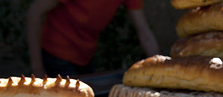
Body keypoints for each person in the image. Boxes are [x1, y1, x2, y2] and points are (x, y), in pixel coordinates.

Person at [26, 0, 160, 78]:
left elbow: (144, 31)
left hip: (85, 55)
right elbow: (34, 13)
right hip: (56, 53)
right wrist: (37, 67)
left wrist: (160, 66)